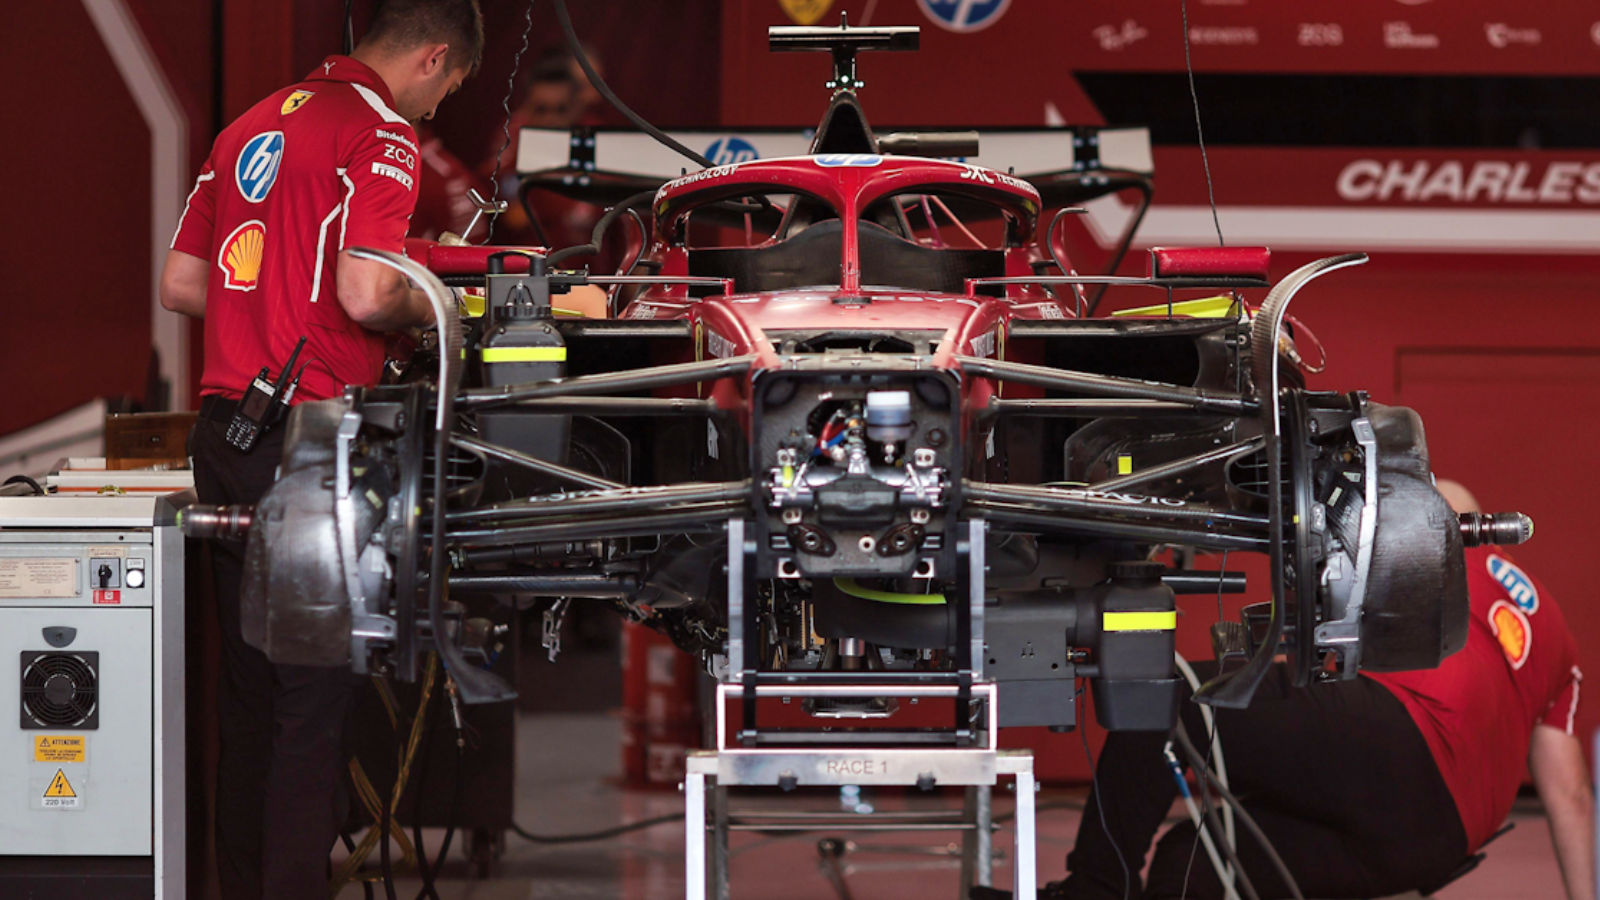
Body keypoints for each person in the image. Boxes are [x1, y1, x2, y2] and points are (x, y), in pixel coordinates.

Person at [157, 2, 482, 896]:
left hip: (225, 431)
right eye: (443, 92)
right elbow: (370, 294)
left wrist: (271, 308)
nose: (431, 112)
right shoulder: (380, 136)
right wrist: (441, 297)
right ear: (433, 58)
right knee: (312, 705)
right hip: (309, 440)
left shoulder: (246, 125)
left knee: (251, 696)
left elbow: (184, 283)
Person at [984, 480, 1591, 900]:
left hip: (1399, 738)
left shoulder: (1442, 551)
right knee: (1191, 863)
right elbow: (1567, 793)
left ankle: (1092, 890)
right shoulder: (1555, 635)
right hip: (1438, 843)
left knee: (1161, 698)